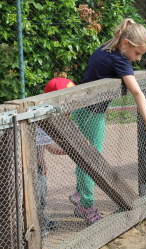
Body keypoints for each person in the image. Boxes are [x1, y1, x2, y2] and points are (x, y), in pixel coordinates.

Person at [68, 18, 146, 225]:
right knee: (90, 160)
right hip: (92, 114)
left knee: (85, 153)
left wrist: (133, 27)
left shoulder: (107, 47)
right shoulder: (120, 60)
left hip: (83, 110)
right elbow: (136, 91)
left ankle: (79, 192)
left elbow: (126, 35)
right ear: (125, 43)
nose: (137, 60)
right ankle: (85, 204)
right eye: (137, 54)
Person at [37, 77, 75, 235]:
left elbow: (41, 146)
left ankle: (41, 218)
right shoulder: (42, 118)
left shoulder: (48, 117)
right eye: (67, 104)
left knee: (41, 187)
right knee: (38, 189)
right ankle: (38, 225)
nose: (71, 108)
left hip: (33, 162)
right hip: (18, 164)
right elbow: (51, 148)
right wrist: (72, 149)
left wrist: (41, 160)